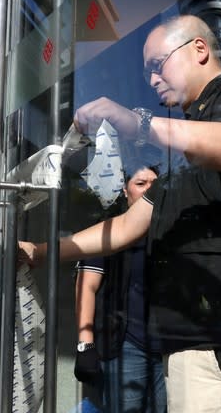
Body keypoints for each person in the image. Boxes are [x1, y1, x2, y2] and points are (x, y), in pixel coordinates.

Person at [19, 14, 221, 413]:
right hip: (202, 354)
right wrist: (40, 251)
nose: (151, 80)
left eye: (156, 65)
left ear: (199, 50)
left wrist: (139, 123)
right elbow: (129, 225)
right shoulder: (186, 155)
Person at [74, 162, 167, 413]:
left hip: (168, 347)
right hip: (125, 345)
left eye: (154, 185)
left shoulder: (169, 234)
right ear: (126, 191)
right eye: (140, 184)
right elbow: (86, 287)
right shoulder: (108, 231)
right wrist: (86, 345)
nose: (148, 190)